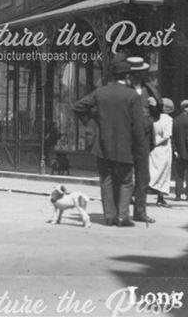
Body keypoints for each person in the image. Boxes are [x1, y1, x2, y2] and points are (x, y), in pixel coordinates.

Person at [73, 54, 147, 227]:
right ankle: (123, 217)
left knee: (106, 180)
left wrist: (93, 118)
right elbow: (138, 127)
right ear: (127, 76)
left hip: (102, 146)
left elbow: (78, 107)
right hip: (125, 147)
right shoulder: (132, 96)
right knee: (126, 182)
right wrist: (140, 149)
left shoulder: (101, 92)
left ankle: (109, 217)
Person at [128, 56, 159, 223]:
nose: (137, 76)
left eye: (140, 73)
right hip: (127, 136)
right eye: (135, 73)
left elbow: (157, 115)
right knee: (125, 175)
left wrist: (154, 106)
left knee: (143, 176)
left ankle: (140, 212)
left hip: (145, 137)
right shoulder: (125, 89)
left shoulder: (149, 89)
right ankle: (122, 210)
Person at [148, 97, 174, 207]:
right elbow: (167, 136)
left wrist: (152, 143)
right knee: (163, 173)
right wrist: (157, 142)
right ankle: (160, 197)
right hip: (163, 149)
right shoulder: (168, 120)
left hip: (152, 149)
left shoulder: (153, 119)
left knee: (151, 171)